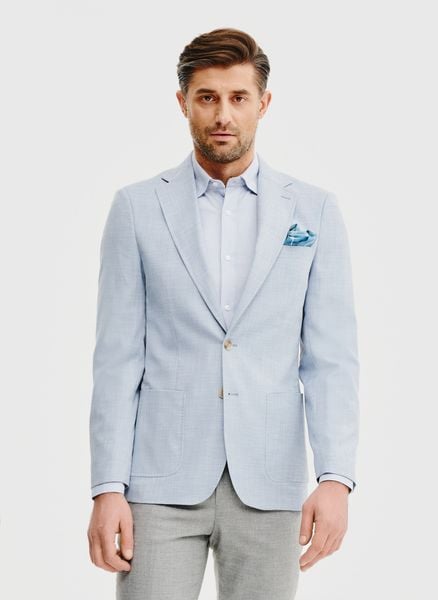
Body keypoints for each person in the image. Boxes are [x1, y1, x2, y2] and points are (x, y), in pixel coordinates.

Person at [87, 27, 360, 600]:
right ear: (183, 102)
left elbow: (331, 361)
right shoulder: (137, 208)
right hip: (158, 484)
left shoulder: (314, 211)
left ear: (263, 103)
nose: (223, 115)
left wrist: (335, 477)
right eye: (207, 97)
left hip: (270, 481)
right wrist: (108, 486)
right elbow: (116, 359)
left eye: (238, 97)